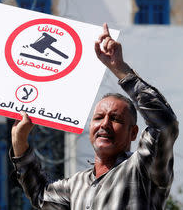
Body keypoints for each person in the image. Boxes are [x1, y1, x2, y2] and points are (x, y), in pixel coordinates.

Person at [10, 23, 179, 210]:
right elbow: (40, 194)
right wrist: (19, 143)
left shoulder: (142, 168)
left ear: (133, 133)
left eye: (115, 119)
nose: (104, 124)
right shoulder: (76, 185)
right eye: (99, 117)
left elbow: (165, 125)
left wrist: (120, 68)